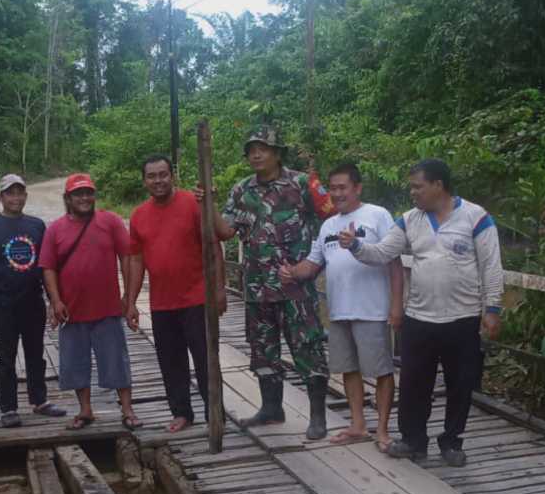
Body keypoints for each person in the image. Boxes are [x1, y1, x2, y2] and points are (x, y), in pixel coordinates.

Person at [339, 158, 504, 467]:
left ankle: (452, 442)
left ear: (438, 185)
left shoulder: (475, 217)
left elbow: (491, 267)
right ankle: (413, 440)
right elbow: (383, 253)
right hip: (419, 318)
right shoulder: (409, 220)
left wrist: (492, 308)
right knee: (415, 384)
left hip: (463, 317)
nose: (413, 192)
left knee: (460, 384)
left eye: (418, 186)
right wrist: (356, 246)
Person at [203, 126, 330, 440]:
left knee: (308, 349)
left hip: (296, 289)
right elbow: (224, 232)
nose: (256, 155)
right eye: (251, 150)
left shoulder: (303, 183)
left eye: (263, 148)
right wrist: (207, 204)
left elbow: (333, 220)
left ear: (277, 152)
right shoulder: (241, 190)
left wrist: (313, 262)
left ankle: (318, 416)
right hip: (258, 288)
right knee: (262, 350)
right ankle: (272, 409)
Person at [279, 163, 403, 450]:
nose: (336, 194)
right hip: (339, 311)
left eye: (342, 188)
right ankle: (358, 424)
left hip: (372, 310)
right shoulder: (328, 225)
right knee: (348, 369)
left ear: (357, 188)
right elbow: (312, 264)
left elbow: (394, 262)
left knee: (381, 371)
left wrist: (397, 306)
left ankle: (382, 430)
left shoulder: (377, 215)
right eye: (332, 188)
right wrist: (292, 272)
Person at [125, 154, 227, 433]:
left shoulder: (192, 204)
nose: (158, 181)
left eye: (163, 174)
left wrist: (219, 288)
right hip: (161, 302)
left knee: (206, 358)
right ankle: (181, 412)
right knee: (170, 361)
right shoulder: (139, 216)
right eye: (152, 176)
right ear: (144, 180)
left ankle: (214, 412)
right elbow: (136, 260)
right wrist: (130, 301)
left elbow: (214, 246)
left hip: (197, 297)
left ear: (172, 176)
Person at [39, 173, 143, 431]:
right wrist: (56, 300)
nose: (84, 198)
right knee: (75, 363)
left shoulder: (110, 221)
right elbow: (48, 268)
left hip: (107, 309)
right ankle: (85, 410)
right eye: (78, 194)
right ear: (68, 198)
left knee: (116, 360)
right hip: (72, 310)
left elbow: (127, 258)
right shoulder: (55, 229)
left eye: (88, 193)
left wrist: (129, 299)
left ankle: (127, 410)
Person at [0, 173, 66, 428]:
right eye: (10, 193)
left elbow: (47, 266)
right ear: (0, 197)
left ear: (25, 195)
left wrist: (52, 300)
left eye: (19, 192)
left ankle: (40, 400)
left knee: (35, 353)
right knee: (6, 356)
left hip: (32, 300)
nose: (15, 198)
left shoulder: (37, 226)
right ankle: (8, 407)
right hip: (3, 303)